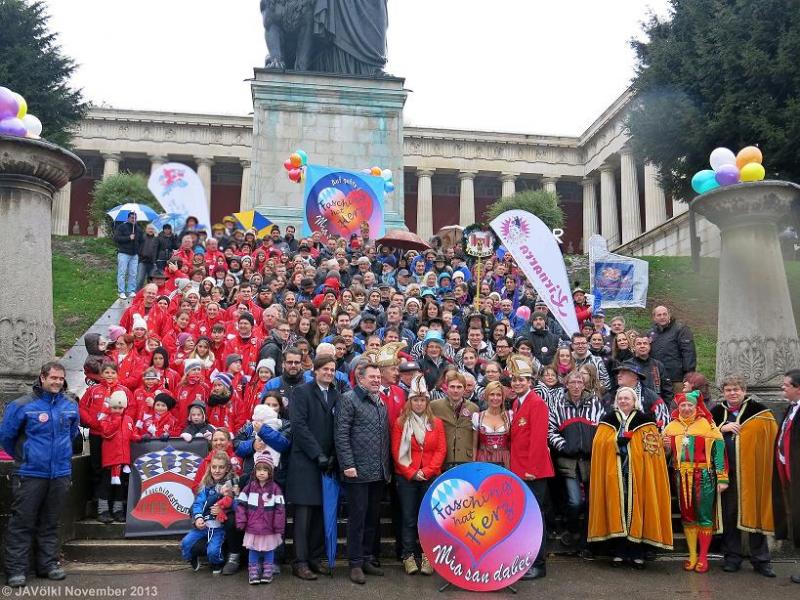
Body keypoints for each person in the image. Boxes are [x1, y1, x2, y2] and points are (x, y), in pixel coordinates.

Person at [1, 362, 80, 588]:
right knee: (22, 522)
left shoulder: (70, 405)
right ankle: (16, 570)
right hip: (30, 472)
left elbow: (73, 433)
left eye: (60, 378)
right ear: (42, 378)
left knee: (50, 521)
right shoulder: (22, 405)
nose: (57, 382)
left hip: (60, 473)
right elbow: (6, 437)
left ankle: (48, 564)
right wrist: (26, 457)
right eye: (53, 378)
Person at [588, 386, 673, 568]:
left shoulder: (645, 422)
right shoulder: (608, 421)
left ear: (635, 401)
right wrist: (615, 442)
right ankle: (619, 552)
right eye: (621, 398)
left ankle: (637, 553)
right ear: (616, 401)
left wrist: (635, 446)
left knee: (638, 509)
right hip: (615, 475)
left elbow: (654, 452)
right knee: (617, 509)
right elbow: (599, 445)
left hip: (639, 475)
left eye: (627, 398)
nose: (624, 401)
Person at [709, 375, 777, 577]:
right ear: (723, 392)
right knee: (730, 516)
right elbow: (703, 435)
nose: (733, 393)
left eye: (736, 389)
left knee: (755, 515)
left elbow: (770, 440)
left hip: (753, 473)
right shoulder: (716, 413)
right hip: (727, 475)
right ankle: (732, 557)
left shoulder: (760, 412)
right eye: (729, 390)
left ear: (744, 390)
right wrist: (721, 428)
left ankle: (761, 560)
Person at [336, 357, 392, 585]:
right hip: (357, 471)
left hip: (378, 471)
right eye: (372, 377)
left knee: (372, 518)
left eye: (379, 377)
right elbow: (341, 434)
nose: (377, 380)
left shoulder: (380, 401)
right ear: (360, 378)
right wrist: (348, 464)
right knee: (357, 520)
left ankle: (368, 557)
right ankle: (355, 563)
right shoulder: (349, 400)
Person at [286, 355, 340, 581]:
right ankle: (299, 561)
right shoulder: (301, 392)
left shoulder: (337, 395)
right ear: (315, 371)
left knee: (321, 513)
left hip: (327, 463)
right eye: (325, 369)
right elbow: (299, 426)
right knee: (304, 515)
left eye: (332, 369)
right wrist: (317, 454)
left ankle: (315, 559)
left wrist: (333, 456)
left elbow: (339, 428)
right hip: (305, 462)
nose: (329, 372)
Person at [663, 390, 728, 574]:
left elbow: (719, 452)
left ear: (696, 406)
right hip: (680, 476)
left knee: (704, 516)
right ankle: (692, 555)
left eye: (689, 405)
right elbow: (664, 455)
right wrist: (665, 447)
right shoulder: (671, 427)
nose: (685, 408)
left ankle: (703, 557)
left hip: (704, 476)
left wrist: (722, 477)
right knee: (687, 516)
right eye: (682, 405)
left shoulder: (708, 425)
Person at [390, 374, 445, 576]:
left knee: (428, 520)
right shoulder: (400, 423)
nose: (419, 403)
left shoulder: (436, 423)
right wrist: (412, 473)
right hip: (407, 477)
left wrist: (428, 471)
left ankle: (428, 556)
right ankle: (408, 556)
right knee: (409, 518)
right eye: (415, 400)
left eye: (422, 400)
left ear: (427, 402)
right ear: (410, 401)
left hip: (429, 476)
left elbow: (440, 450)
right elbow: (397, 452)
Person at [547, 370, 604, 555]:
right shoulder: (558, 403)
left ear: (584, 384)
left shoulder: (594, 402)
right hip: (568, 460)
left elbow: (604, 427)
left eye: (580, 382)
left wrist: (595, 445)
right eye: (573, 382)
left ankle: (586, 539)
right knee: (575, 501)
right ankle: (571, 531)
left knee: (590, 502)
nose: (577, 386)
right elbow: (550, 430)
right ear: (567, 384)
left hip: (590, 459)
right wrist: (563, 446)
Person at [507, 354, 552, 580]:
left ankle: (539, 563)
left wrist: (532, 469)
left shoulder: (537, 403)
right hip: (519, 468)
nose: (517, 383)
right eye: (514, 380)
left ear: (530, 382)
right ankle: (527, 559)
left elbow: (538, 439)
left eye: (521, 380)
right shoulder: (517, 402)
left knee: (535, 518)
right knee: (524, 518)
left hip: (532, 471)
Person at [181, 451, 237, 574]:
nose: (217, 470)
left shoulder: (232, 484)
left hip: (219, 528)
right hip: (204, 526)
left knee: (213, 551)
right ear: (210, 467)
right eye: (214, 467)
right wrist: (198, 518)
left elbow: (238, 504)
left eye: (221, 467)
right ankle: (191, 558)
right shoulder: (206, 486)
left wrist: (225, 509)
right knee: (185, 543)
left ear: (227, 468)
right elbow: (198, 504)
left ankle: (217, 563)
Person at [235, 453, 286, 585]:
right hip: (252, 527)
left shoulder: (275, 489)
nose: (261, 473)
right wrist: (241, 520)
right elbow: (241, 505)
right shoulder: (249, 488)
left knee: (269, 549)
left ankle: (268, 569)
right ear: (255, 471)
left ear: (270, 472)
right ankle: (253, 569)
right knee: (253, 549)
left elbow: (280, 509)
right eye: (259, 469)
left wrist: (278, 526)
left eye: (265, 470)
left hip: (269, 528)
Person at [773, 368, 800, 583]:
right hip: (790, 475)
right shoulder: (791, 408)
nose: (783, 387)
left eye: (787, 385)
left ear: (797, 388)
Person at [430, 370, 478, 468]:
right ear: (447, 388)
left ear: (464, 389)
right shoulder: (434, 406)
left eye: (459, 387)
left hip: (465, 460)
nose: (455, 390)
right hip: (443, 460)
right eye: (452, 387)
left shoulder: (474, 408)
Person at [649, 305, 697, 390]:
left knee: (678, 402)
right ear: (654, 318)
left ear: (669, 315)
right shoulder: (650, 333)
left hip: (677, 379)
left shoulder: (681, 330)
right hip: (657, 379)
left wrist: (689, 374)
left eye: (665, 314)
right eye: (659, 315)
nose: (662, 317)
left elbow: (689, 353)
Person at [471, 381, 512, 466]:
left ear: (503, 397)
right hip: (483, 459)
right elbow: (474, 446)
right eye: (492, 394)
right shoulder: (478, 417)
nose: (495, 398)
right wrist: (473, 464)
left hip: (505, 460)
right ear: (486, 396)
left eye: (499, 395)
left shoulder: (510, 416)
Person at [113, 211, 144, 300]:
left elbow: (142, 241)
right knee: (122, 273)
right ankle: (121, 292)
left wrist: (139, 251)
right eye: (132, 218)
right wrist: (128, 238)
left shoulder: (138, 229)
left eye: (135, 218)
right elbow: (116, 238)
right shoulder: (122, 227)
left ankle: (131, 291)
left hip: (134, 254)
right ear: (128, 218)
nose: (133, 219)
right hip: (123, 253)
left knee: (133, 273)